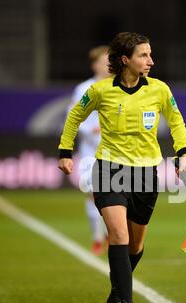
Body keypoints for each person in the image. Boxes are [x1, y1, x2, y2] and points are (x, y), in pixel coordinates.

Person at [58, 32, 186, 303]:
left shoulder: (159, 90)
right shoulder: (99, 91)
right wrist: (65, 151)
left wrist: (182, 155)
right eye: (144, 55)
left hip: (145, 173)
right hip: (109, 169)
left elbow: (177, 120)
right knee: (118, 236)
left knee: (135, 245)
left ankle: (117, 286)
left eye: (150, 54)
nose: (151, 61)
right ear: (125, 60)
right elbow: (74, 117)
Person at [67, 46, 110, 255]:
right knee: (94, 194)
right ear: (95, 64)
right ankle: (97, 237)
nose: (108, 64)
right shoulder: (83, 89)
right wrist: (92, 130)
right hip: (90, 154)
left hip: (116, 152)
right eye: (103, 61)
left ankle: (112, 234)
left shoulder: (118, 87)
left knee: (115, 196)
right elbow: (74, 118)